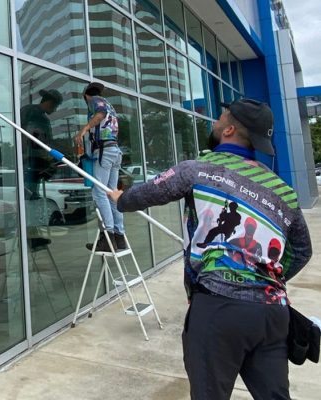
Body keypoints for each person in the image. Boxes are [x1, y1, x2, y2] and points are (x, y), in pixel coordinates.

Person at [108, 98, 312, 400]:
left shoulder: (198, 170)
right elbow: (301, 251)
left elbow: (143, 195)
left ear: (229, 130)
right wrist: (266, 281)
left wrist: (119, 198)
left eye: (221, 116)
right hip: (273, 315)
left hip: (219, 310)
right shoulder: (284, 191)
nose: (215, 120)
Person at [74, 82, 125, 250]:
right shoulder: (111, 107)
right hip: (114, 151)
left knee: (99, 193)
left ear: (86, 96)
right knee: (112, 195)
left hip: (105, 152)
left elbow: (100, 114)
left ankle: (107, 238)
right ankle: (119, 237)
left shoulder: (96, 101)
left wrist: (84, 129)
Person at [20, 89, 62, 199]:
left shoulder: (44, 120)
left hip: (39, 156)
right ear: (50, 103)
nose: (55, 109)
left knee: (35, 183)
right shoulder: (29, 111)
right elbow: (22, 130)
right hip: (28, 155)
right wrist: (24, 150)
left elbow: (47, 140)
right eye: (55, 106)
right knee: (28, 185)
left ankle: (33, 196)